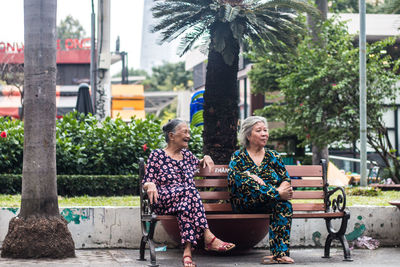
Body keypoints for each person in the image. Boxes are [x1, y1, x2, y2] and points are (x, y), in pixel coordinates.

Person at [142, 119, 235, 267]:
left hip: (184, 201)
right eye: (185, 132)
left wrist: (206, 157)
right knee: (189, 191)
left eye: (189, 132)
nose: (189, 136)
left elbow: (199, 162)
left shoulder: (187, 155)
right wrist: (150, 184)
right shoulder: (157, 155)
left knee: (185, 206)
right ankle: (208, 236)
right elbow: (146, 181)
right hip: (164, 200)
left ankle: (187, 253)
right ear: (172, 136)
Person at [227, 116, 294, 264]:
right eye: (259, 130)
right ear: (248, 135)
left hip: (268, 203)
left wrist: (279, 188)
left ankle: (279, 254)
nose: (264, 133)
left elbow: (286, 180)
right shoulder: (238, 157)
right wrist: (252, 179)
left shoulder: (273, 156)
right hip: (245, 203)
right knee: (245, 180)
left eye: (265, 130)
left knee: (284, 205)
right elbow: (235, 181)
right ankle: (273, 193)